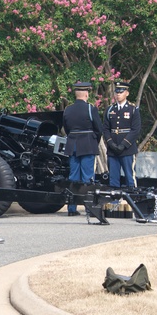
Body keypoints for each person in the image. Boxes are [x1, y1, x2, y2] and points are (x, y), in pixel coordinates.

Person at [62, 81, 103, 216]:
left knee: (73, 176)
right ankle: (89, 207)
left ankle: (72, 209)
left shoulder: (68, 109)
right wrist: (93, 141)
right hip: (87, 144)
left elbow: (67, 129)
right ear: (86, 94)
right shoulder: (91, 109)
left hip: (73, 144)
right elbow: (99, 129)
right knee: (87, 177)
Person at [103, 80, 142, 189]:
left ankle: (132, 201)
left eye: (121, 92)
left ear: (127, 93)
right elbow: (106, 129)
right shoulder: (110, 109)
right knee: (113, 179)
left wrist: (123, 144)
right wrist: (110, 143)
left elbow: (135, 130)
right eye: (117, 92)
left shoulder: (133, 109)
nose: (118, 94)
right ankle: (114, 202)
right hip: (113, 149)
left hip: (127, 149)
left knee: (130, 177)